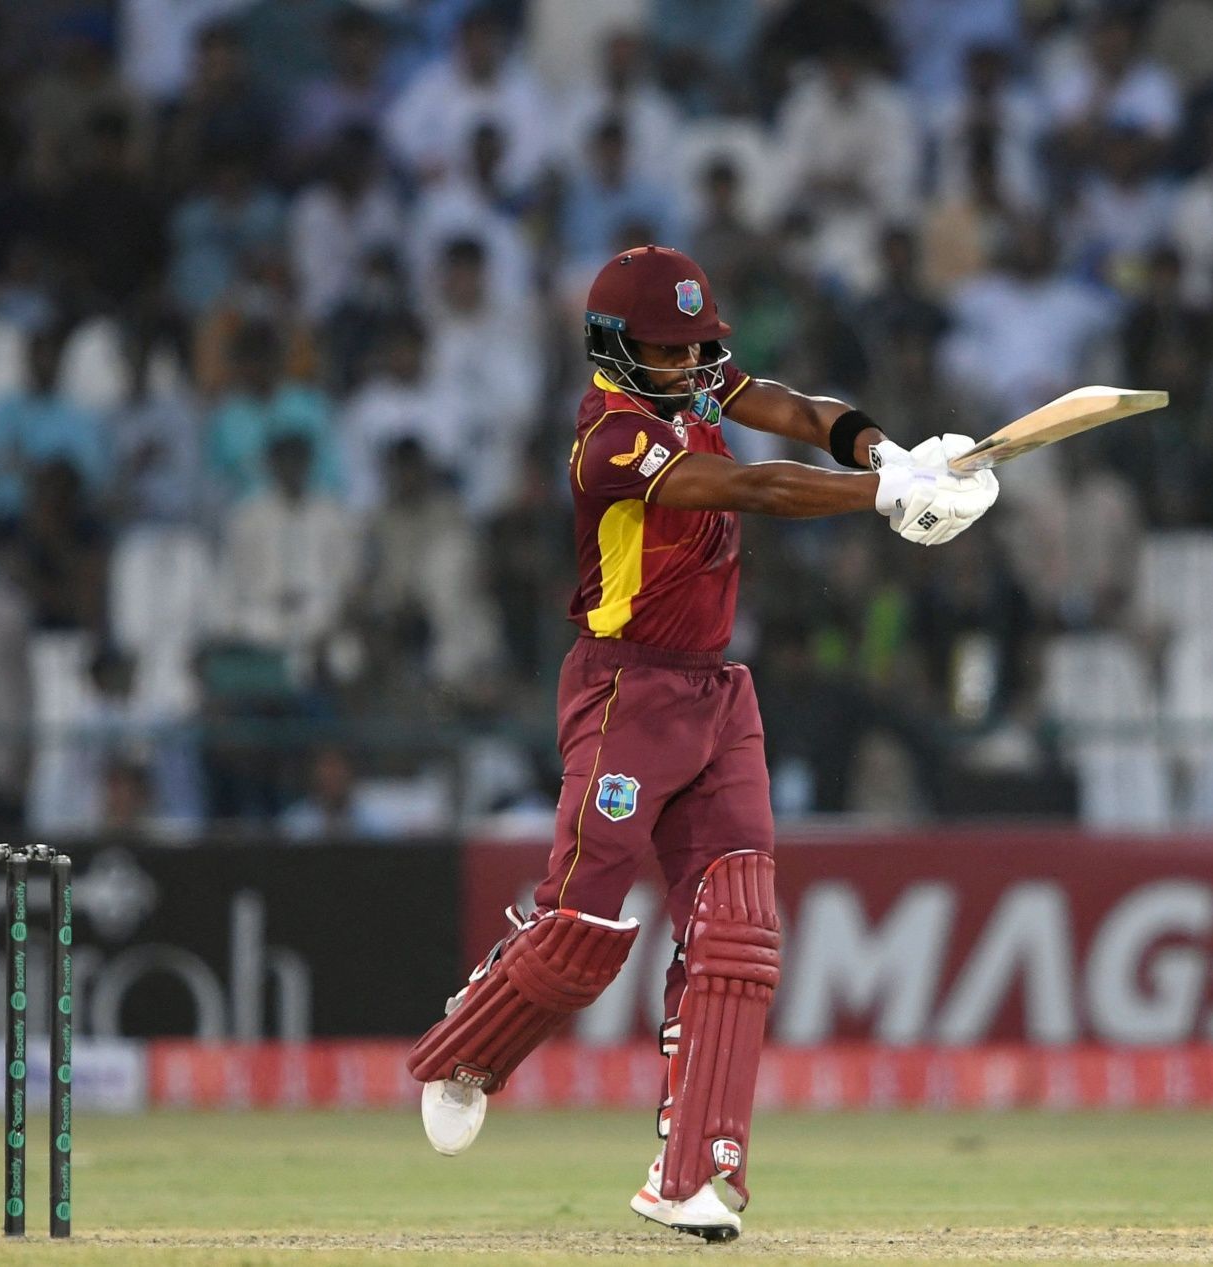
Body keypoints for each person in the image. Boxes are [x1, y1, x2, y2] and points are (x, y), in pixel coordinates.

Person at [405, 245, 998, 1240]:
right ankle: (471, 1048)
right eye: (667, 351)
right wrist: (886, 501)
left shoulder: (691, 374)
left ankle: (689, 1175)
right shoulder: (611, 438)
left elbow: (801, 416)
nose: (689, 367)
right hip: (623, 694)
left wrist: (884, 453)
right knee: (581, 938)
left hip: (718, 693)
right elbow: (750, 487)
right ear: (613, 348)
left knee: (738, 933)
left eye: (696, 348)